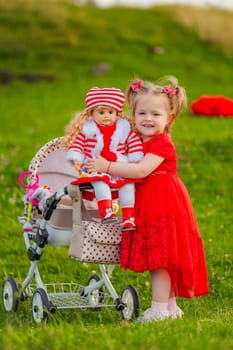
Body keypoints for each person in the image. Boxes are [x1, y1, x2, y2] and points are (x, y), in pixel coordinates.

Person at [86, 77, 209, 321]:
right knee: (164, 256)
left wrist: (107, 165)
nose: (148, 119)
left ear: (169, 118)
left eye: (156, 114)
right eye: (142, 112)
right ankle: (171, 307)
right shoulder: (141, 140)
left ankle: (159, 309)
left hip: (163, 202)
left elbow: (141, 170)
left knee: (160, 258)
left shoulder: (161, 143)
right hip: (153, 200)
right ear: (133, 114)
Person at [63, 87, 144, 231]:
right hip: (95, 167)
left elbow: (134, 143)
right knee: (99, 180)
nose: (106, 116)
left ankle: (128, 217)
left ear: (117, 113)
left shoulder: (124, 129)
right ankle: (106, 210)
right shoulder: (87, 131)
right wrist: (76, 157)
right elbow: (78, 145)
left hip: (118, 167)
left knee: (128, 184)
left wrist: (135, 158)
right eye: (101, 112)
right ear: (91, 113)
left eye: (110, 112)